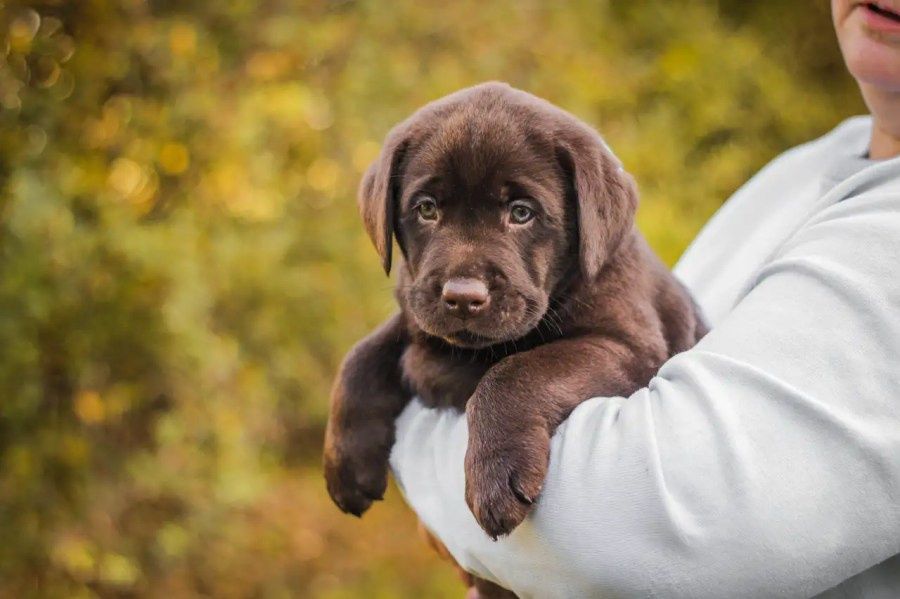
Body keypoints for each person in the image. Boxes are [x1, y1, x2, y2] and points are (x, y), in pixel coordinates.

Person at [389, 1, 900, 596]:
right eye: (428, 208)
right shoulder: (802, 170)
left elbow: (632, 531)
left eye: (520, 211)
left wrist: (415, 448)